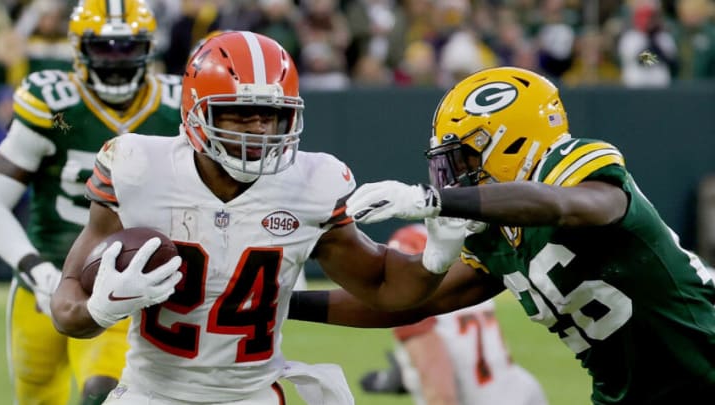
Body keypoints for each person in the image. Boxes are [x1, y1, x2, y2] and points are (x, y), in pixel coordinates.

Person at [49, 30, 450, 404]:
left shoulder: (312, 184)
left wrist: (438, 254)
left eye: (270, 114)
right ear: (195, 112)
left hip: (251, 395)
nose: (258, 128)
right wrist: (99, 309)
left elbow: (383, 287)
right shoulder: (137, 169)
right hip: (150, 392)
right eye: (240, 113)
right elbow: (67, 308)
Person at [288, 66, 715, 404]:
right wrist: (282, 305)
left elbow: (568, 206)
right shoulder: (497, 237)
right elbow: (413, 300)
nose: (457, 174)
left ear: (512, 143)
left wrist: (434, 200)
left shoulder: (573, 166)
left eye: (466, 155)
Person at [0, 1, 182, 404]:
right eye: (104, 48)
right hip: (41, 277)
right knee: (37, 396)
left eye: (127, 48)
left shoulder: (175, 108)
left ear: (149, 48)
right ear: (80, 49)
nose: (116, 61)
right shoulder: (52, 103)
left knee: (104, 391)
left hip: (120, 278)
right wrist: (36, 269)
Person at [361, 223, 549, 405]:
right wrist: (409, 376)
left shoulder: (412, 307)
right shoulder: (466, 291)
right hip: (520, 390)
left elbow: (441, 395)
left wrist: (421, 370)